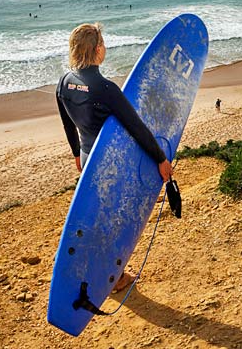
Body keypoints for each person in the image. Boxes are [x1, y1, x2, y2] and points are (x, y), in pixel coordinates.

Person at [56, 23, 173, 292]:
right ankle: (115, 278)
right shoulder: (105, 89)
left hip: (87, 159)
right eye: (104, 44)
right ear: (98, 50)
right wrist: (160, 159)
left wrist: (76, 153)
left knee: (98, 220)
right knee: (113, 224)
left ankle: (96, 271)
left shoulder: (64, 82)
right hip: (109, 165)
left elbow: (66, 123)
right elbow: (136, 126)